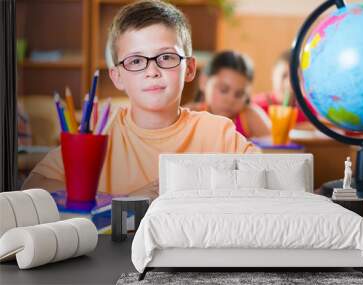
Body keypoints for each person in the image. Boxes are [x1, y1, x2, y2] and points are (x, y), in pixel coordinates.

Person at [22, 0, 259, 198]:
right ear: (117, 77)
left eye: (165, 57)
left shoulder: (218, 133)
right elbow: (33, 186)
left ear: (189, 69)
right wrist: (124, 202)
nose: (152, 71)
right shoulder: (95, 137)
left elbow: (268, 179)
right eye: (136, 61)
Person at [186, 51, 271, 138]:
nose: (230, 100)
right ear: (204, 82)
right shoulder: (190, 115)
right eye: (223, 90)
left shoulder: (250, 117)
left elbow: (275, 147)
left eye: (239, 94)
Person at [252, 50, 314, 129]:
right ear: (273, 74)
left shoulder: (307, 109)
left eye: (296, 78)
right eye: (284, 75)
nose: (289, 83)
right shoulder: (257, 108)